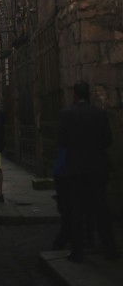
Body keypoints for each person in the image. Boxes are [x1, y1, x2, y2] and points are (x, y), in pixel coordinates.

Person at [58, 81, 120, 262]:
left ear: (75, 95)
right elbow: (108, 139)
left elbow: (62, 141)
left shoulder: (66, 114)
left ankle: (78, 252)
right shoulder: (100, 113)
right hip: (97, 167)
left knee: (77, 210)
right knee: (102, 208)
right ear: (88, 94)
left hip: (76, 168)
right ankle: (110, 249)